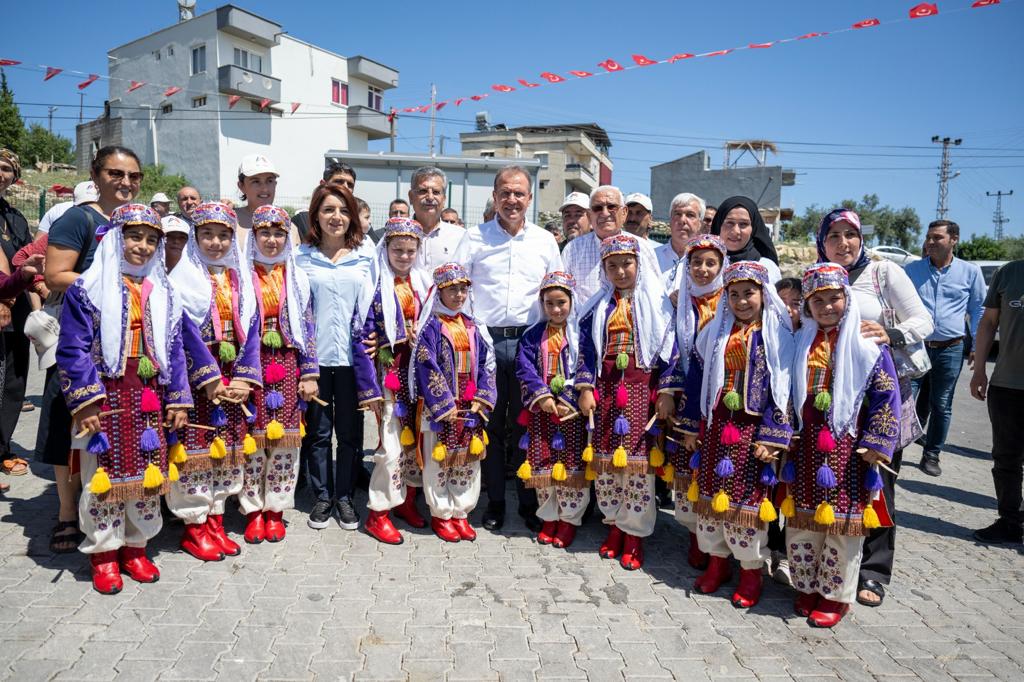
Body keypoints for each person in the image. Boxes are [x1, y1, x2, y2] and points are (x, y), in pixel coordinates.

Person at [56, 204, 191, 594]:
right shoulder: (88, 289)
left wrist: (179, 398)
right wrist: (87, 401)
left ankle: (136, 549)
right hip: (106, 394)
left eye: (152, 240)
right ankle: (103, 554)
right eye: (135, 237)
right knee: (105, 476)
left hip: (150, 393)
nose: (144, 247)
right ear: (116, 239)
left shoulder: (164, 290)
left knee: (147, 475)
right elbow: (73, 349)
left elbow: (176, 348)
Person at [815, 207, 932, 608]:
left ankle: (874, 571)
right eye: (834, 236)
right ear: (822, 241)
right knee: (829, 476)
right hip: (829, 398)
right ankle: (826, 561)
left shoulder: (883, 274)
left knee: (879, 482)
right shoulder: (819, 276)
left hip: (880, 393)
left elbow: (924, 319)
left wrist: (892, 331)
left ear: (861, 237)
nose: (843, 244)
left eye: (850, 235)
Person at [785, 263, 901, 627]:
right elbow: (783, 388)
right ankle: (806, 586)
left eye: (834, 298)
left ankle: (835, 596)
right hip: (805, 446)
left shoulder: (867, 344)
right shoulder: (799, 341)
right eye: (817, 300)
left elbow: (886, 394)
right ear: (807, 305)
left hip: (848, 449)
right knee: (802, 519)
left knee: (843, 526)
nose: (826, 307)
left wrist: (878, 441)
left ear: (847, 300)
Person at [43, 145, 145, 554]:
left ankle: (122, 511)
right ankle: (67, 514)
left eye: (133, 176)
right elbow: (54, 275)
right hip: (82, 340)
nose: (125, 183)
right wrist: (106, 287)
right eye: (116, 174)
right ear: (96, 175)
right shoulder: (79, 218)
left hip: (126, 345)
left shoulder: (135, 222)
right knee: (68, 431)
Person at [453, 165, 563, 532]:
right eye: (505, 192)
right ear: (495, 196)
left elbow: (558, 293)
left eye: (519, 193)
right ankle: (496, 501)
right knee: (491, 423)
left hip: (529, 343)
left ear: (529, 198)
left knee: (526, 423)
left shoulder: (545, 241)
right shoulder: (473, 238)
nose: (512, 200)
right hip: (485, 342)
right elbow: (458, 287)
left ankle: (528, 502)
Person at [680, 261, 794, 608]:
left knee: (748, 506)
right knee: (712, 500)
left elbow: (785, 390)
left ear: (764, 294)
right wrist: (690, 426)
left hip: (752, 435)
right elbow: (697, 380)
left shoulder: (777, 337)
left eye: (749, 293)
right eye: (734, 294)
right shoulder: (714, 334)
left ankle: (750, 573)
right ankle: (717, 564)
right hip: (716, 431)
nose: (742, 301)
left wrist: (773, 436)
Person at [575, 234, 677, 571]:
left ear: (639, 264)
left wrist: (665, 393)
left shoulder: (658, 306)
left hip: (640, 395)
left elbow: (670, 354)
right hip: (605, 396)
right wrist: (585, 388)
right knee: (606, 467)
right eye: (612, 266)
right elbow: (586, 353)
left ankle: (634, 535)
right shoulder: (597, 308)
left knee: (637, 471)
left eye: (626, 264)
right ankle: (614, 526)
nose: (620, 271)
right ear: (604, 269)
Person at [167, 201, 261, 562]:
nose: (217, 243)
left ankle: (217, 520)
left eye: (224, 235)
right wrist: (208, 377)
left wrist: (245, 377)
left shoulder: (239, 278)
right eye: (207, 234)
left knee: (229, 450)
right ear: (195, 237)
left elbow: (252, 328)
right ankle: (194, 526)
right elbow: (182, 332)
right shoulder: (180, 278)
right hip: (198, 380)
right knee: (196, 451)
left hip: (234, 376)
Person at [296, 183, 375, 532]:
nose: (336, 217)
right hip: (315, 363)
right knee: (318, 434)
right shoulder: (300, 258)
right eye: (328, 210)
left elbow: (374, 308)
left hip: (352, 363)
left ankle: (344, 496)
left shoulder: (366, 257)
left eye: (343, 211)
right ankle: (322, 496)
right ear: (316, 215)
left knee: (350, 434)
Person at [240, 205, 319, 544]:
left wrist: (309, 372)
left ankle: (276, 511)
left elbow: (309, 326)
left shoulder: (297, 277)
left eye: (278, 234)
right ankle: (254, 512)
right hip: (252, 364)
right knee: (253, 443)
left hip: (288, 365)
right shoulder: (241, 275)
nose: (271, 240)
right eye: (264, 233)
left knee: (286, 443)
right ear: (254, 236)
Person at [352, 218, 431, 544]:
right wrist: (368, 387)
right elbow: (361, 337)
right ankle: (378, 513)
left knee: (416, 444)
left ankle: (407, 502)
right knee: (391, 446)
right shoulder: (373, 286)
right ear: (386, 249)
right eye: (398, 249)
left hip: (419, 377)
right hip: (390, 377)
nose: (404, 256)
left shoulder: (424, 283)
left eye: (411, 250)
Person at [412, 262, 496, 542]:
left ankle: (461, 512)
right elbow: (426, 364)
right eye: (452, 290)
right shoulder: (431, 327)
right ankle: (441, 514)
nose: (459, 295)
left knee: (468, 460)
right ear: (439, 292)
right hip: (443, 408)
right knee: (440, 459)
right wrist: (443, 403)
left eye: (463, 289)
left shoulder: (474, 325)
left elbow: (487, 364)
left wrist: (484, 397)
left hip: (469, 406)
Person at [666, 235, 729, 570]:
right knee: (687, 474)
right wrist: (668, 391)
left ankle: (721, 547)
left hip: (723, 400)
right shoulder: (680, 302)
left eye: (710, 263)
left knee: (720, 475)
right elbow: (671, 347)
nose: (703, 270)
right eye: (696, 263)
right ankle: (697, 538)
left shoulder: (733, 301)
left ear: (722, 267)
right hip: (687, 398)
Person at [904, 220, 985, 477]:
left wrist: (978, 345)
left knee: (941, 403)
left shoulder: (970, 272)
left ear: (954, 240)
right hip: (915, 347)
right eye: (928, 237)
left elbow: (978, 310)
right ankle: (893, 449)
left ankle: (931, 454)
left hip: (950, 348)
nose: (930, 242)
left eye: (937, 237)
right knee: (904, 398)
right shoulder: (911, 270)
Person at [515, 271, 587, 548]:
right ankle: (548, 517)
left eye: (561, 303)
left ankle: (568, 520)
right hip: (542, 412)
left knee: (571, 466)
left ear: (571, 301)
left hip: (571, 413)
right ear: (542, 304)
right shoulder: (533, 334)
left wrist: (567, 397)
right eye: (549, 304)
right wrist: (543, 396)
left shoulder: (582, 334)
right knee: (542, 464)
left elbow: (585, 365)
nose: (556, 309)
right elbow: (525, 367)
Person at [970, 259, 1024, 545]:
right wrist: (980, 369)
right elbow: (989, 322)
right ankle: (1010, 522)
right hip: (1007, 384)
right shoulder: (1009, 273)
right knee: (1006, 458)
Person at [561, 185, 660, 304]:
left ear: (624, 212)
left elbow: (656, 294)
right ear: (589, 215)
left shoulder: (642, 247)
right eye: (598, 208)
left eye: (612, 207)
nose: (605, 213)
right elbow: (563, 296)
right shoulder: (573, 249)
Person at [0, 149, 33, 479]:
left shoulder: (15, 218)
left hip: (16, 308)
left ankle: (4, 449)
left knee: (14, 380)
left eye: (7, 168)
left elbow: (28, 256)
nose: (1, 172)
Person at [709, 196, 782, 283]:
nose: (736, 231)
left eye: (743, 224)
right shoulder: (702, 263)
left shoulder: (767, 268)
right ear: (718, 225)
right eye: (729, 223)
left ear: (753, 228)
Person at [234, 154, 301, 246]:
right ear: (241, 186)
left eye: (269, 181)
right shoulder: (229, 221)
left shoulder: (289, 226)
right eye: (256, 181)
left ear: (275, 184)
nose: (264, 189)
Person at [410, 167, 463, 271]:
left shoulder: (461, 237)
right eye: (423, 191)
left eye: (436, 192)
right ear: (411, 197)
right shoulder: (396, 236)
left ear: (444, 199)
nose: (430, 197)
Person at [293, 162, 358, 240]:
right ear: (322, 184)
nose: (345, 187)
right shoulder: (301, 222)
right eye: (338, 182)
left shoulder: (363, 248)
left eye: (350, 185)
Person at [656, 193, 706, 279]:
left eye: (690, 215)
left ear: (700, 224)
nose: (682, 220)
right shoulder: (652, 257)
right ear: (670, 221)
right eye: (677, 214)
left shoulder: (707, 262)